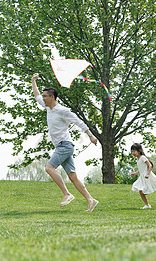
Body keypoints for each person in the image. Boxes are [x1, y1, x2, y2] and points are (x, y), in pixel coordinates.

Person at [31, 73, 99, 212]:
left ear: (52, 97)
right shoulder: (48, 108)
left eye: (45, 96)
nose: (42, 98)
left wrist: (91, 136)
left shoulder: (62, 110)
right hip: (62, 146)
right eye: (43, 96)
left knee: (49, 168)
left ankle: (67, 194)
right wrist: (33, 81)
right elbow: (36, 95)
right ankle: (91, 200)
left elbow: (79, 121)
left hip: (65, 145)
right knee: (73, 176)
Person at [130, 143, 156, 209]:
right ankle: (147, 205)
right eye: (132, 151)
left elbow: (150, 165)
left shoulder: (143, 157)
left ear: (139, 150)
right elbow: (141, 169)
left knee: (144, 190)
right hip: (142, 176)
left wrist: (148, 173)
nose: (133, 153)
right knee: (141, 191)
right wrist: (135, 173)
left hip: (147, 175)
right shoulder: (138, 159)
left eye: (134, 151)